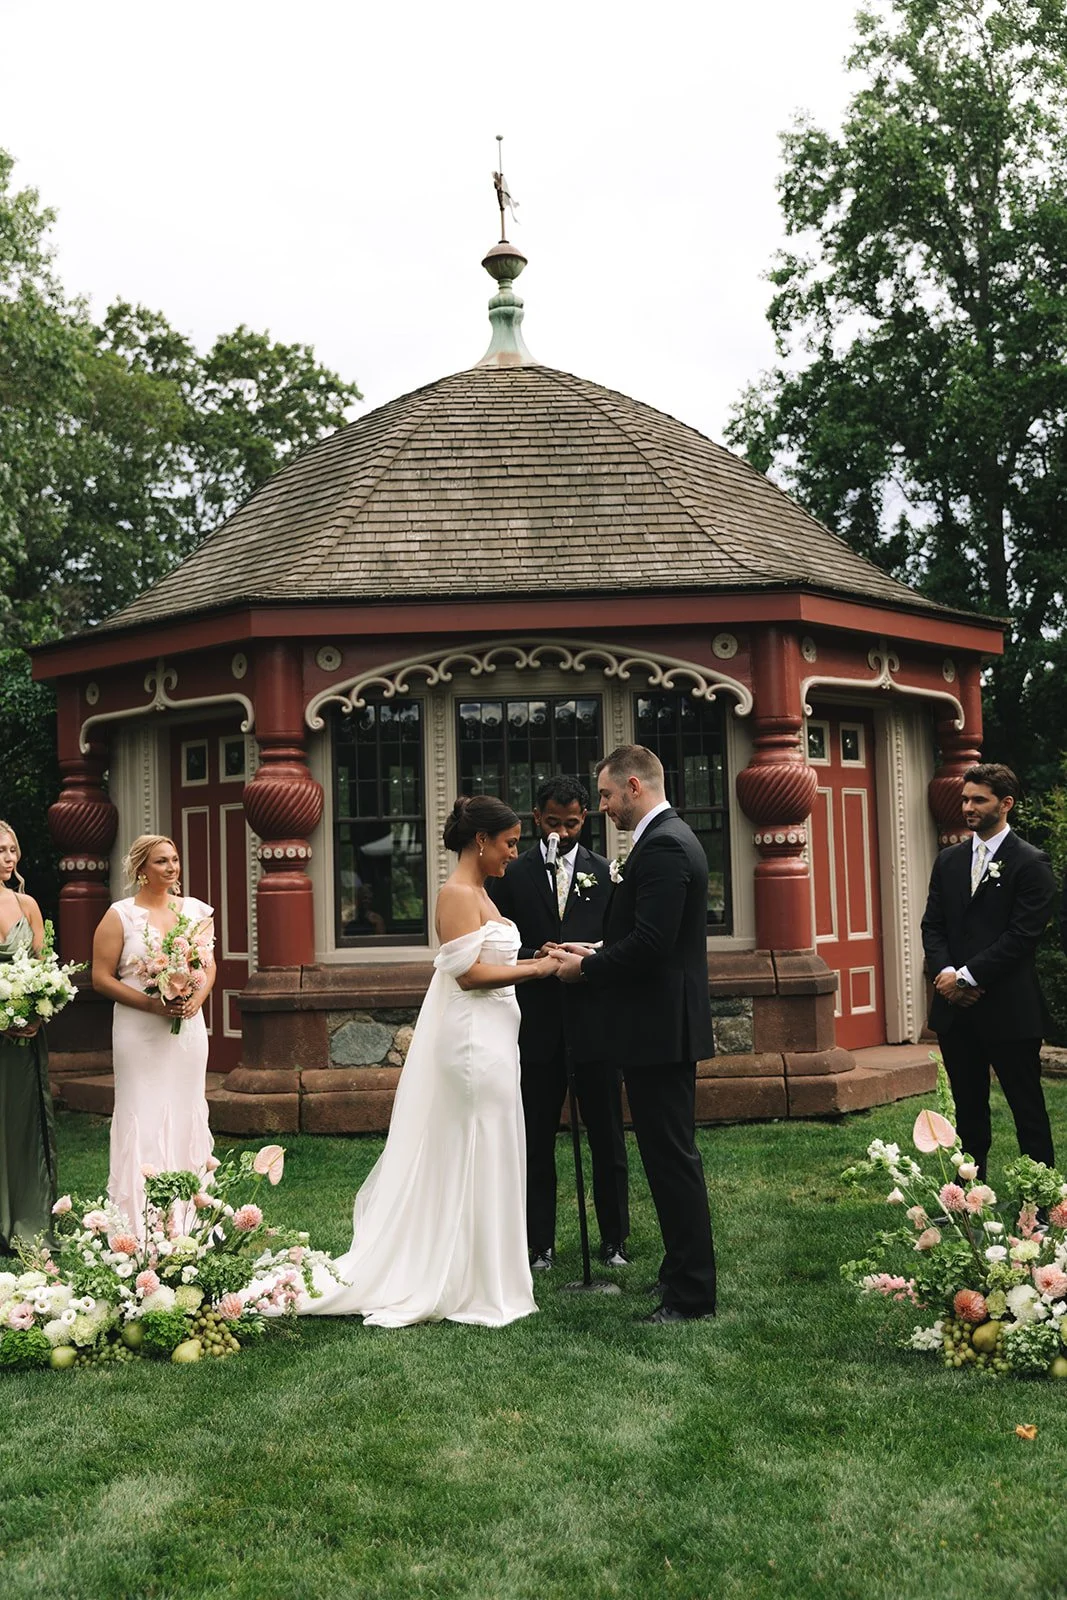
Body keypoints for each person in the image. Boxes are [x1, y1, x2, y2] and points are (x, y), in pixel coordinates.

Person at [302, 795, 562, 1328]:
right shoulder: (455, 893)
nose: (515, 853)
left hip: (494, 1038)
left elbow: (491, 961)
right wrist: (538, 973)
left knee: (492, 1142)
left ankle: (486, 1273)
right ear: (481, 840)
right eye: (510, 843)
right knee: (473, 1143)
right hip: (470, 1044)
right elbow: (467, 976)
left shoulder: (484, 894)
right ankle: (458, 1276)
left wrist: (536, 957)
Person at [556, 746, 717, 1324]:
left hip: (660, 1030)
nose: (601, 808)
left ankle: (693, 1294)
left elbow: (652, 945)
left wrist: (587, 969)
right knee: (665, 1155)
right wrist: (594, 948)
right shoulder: (663, 840)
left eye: (604, 796)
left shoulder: (666, 846)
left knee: (672, 1159)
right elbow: (650, 937)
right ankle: (677, 1275)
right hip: (656, 1025)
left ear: (633, 786)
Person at [487, 775, 629, 1271]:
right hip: (537, 1024)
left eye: (572, 824)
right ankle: (538, 1243)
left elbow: (621, 942)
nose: (563, 833)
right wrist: (536, 955)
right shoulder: (511, 875)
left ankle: (613, 1241)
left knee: (608, 1136)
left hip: (595, 1023)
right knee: (535, 1138)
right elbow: (497, 945)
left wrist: (591, 956)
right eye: (553, 823)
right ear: (535, 819)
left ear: (584, 819)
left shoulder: (606, 873)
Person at [920, 762, 1056, 1180]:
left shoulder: (1031, 863)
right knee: (967, 1112)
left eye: (979, 799)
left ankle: (1044, 1203)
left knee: (1027, 1110)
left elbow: (1021, 937)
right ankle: (968, 1201)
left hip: (1009, 1011)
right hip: (955, 1010)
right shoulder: (949, 861)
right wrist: (947, 976)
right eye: (965, 799)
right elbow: (933, 925)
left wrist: (967, 977)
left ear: (1006, 804)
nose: (968, 807)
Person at [91, 835, 215, 1231]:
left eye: (175, 860)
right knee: (141, 1114)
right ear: (142, 869)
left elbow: (209, 965)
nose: (172, 867)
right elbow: (99, 978)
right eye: (162, 861)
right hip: (139, 1032)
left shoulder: (195, 910)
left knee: (186, 1110)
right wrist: (150, 1005)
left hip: (186, 1031)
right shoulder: (120, 916)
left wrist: (198, 999)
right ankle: (138, 1222)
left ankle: (190, 1219)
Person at [0, 821, 57, 1253]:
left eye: (12, 850)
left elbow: (42, 967)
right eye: (1, 851)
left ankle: (24, 1216)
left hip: (23, 1039)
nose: (8, 859)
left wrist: (40, 1006)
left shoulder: (28, 904)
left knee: (20, 1124)